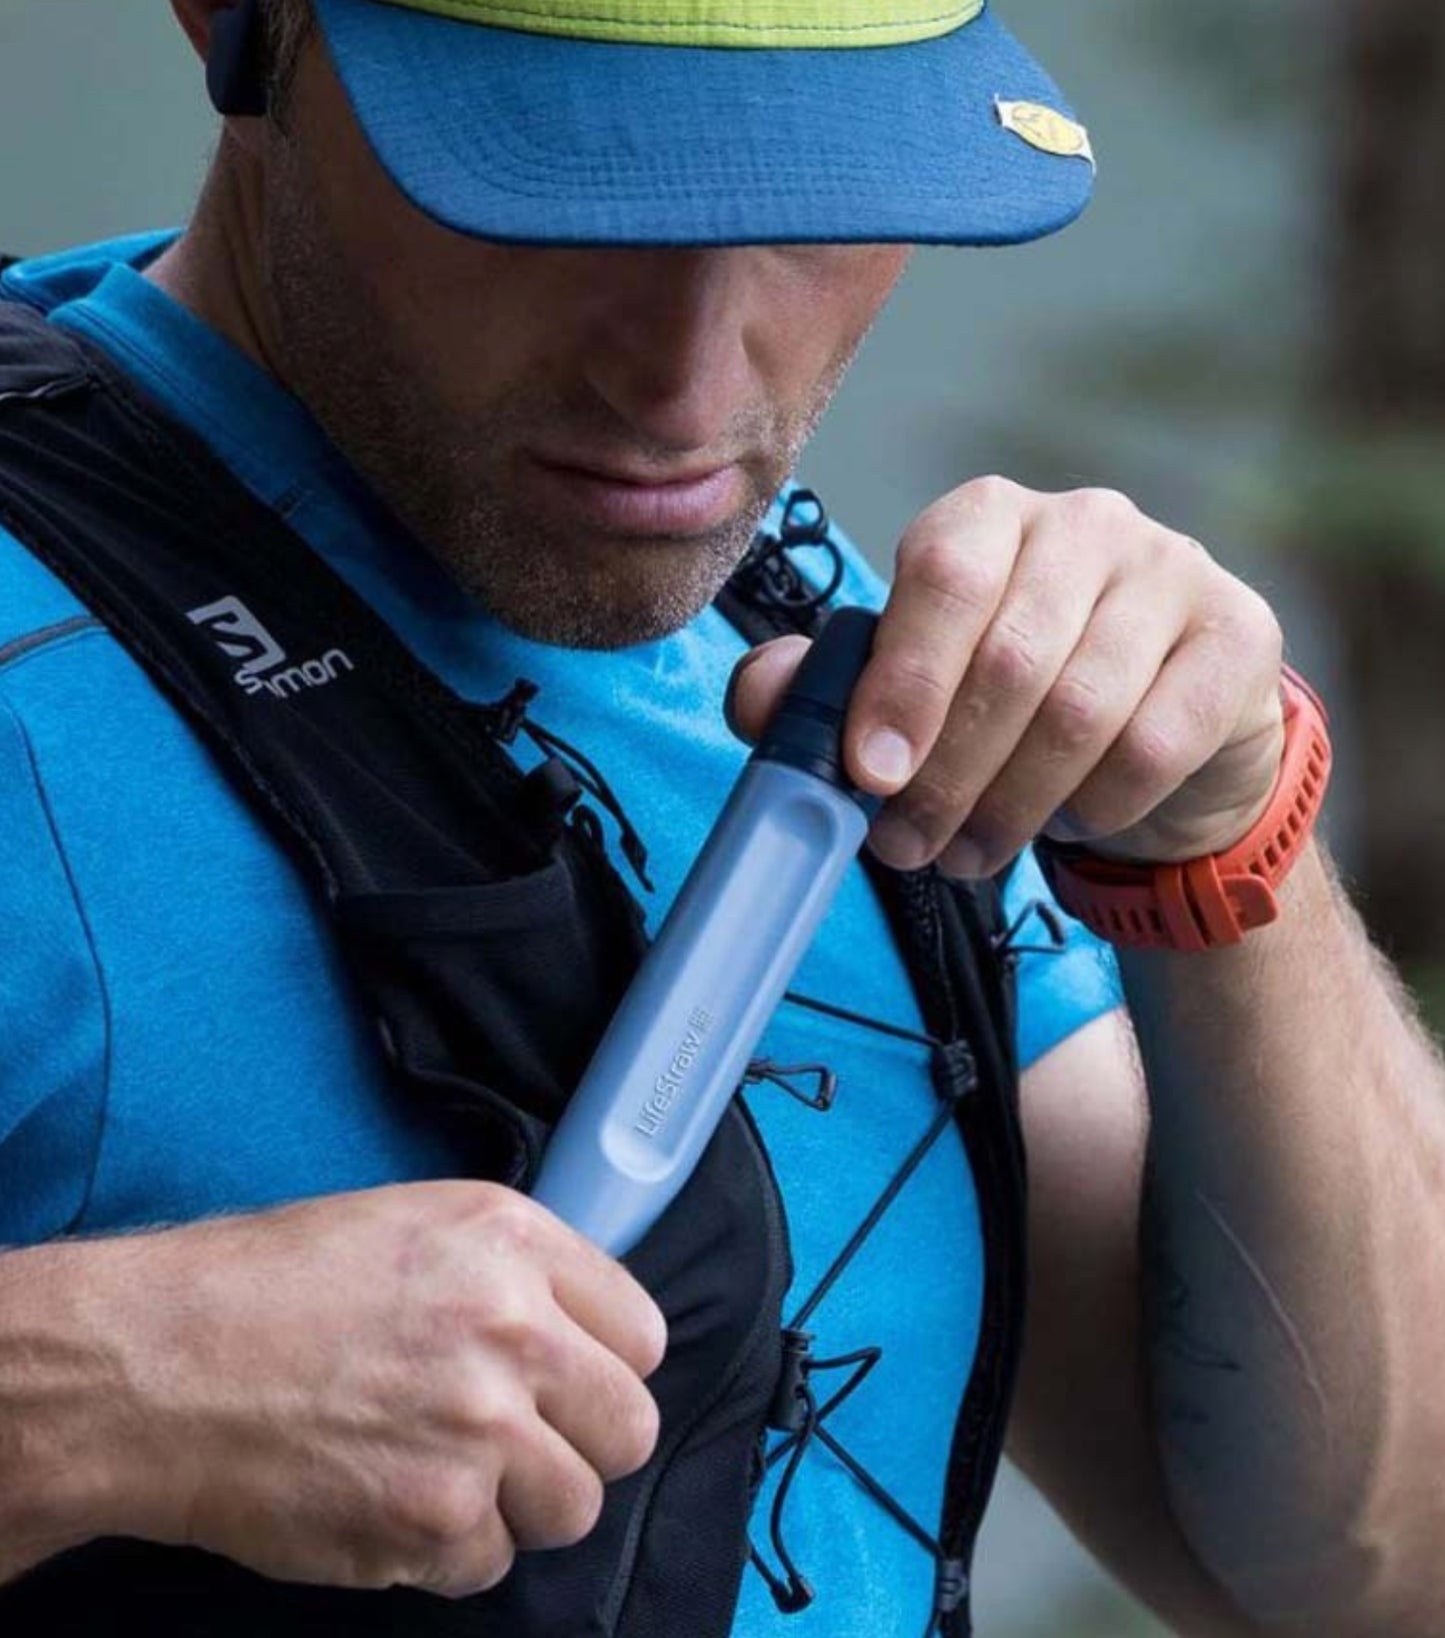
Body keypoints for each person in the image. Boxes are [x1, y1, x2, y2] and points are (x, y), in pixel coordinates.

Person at [1, 1, 1443, 1634]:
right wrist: (86, 1387)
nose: (686, 391)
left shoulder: (802, 630)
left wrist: (1219, 840)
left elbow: (1368, 1573)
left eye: (813, 192)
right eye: (559, 183)